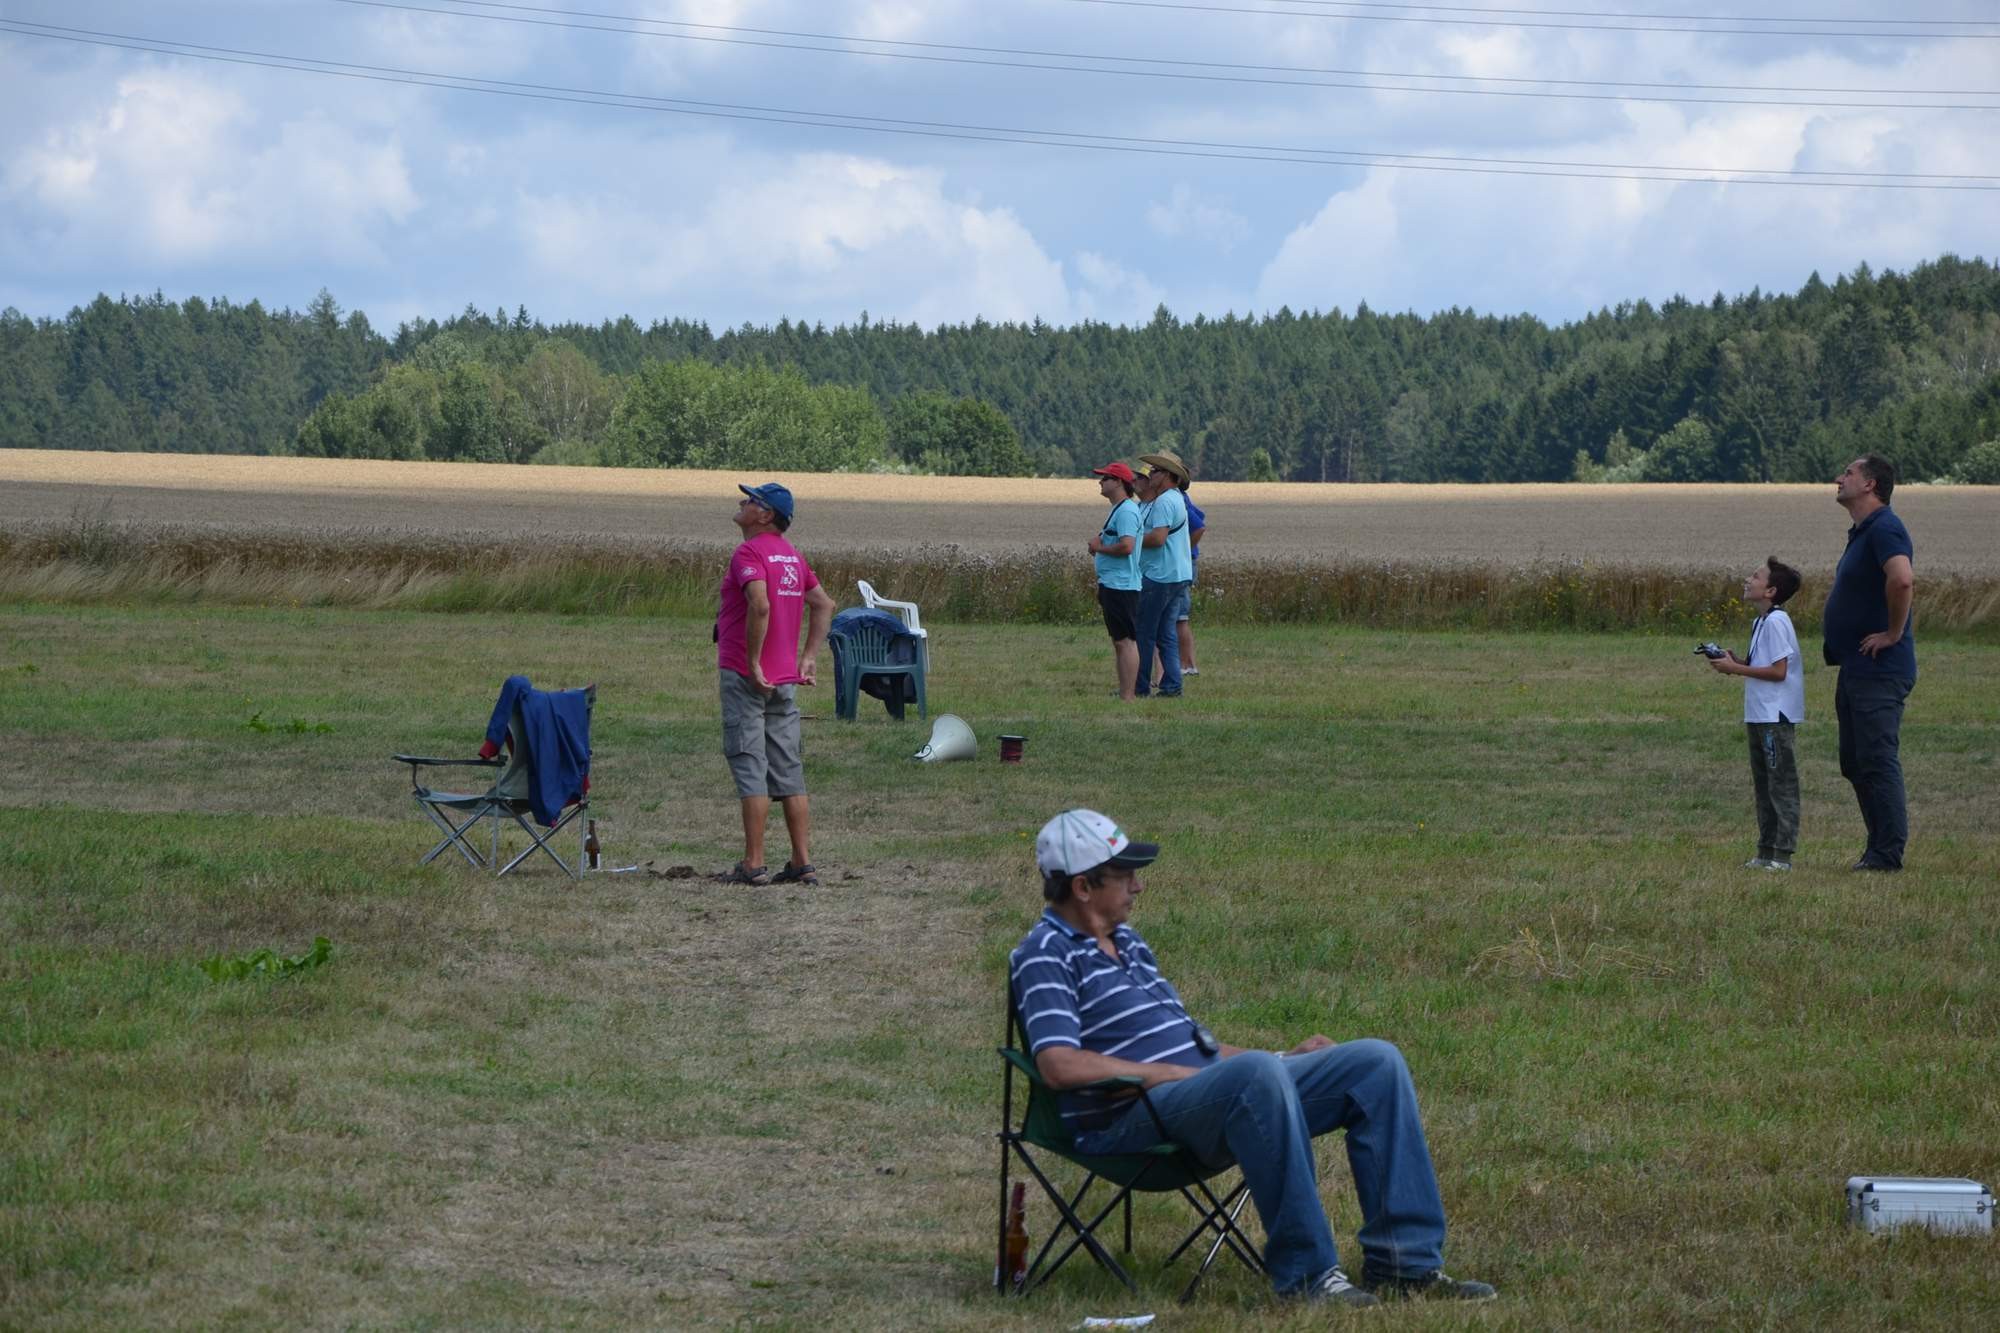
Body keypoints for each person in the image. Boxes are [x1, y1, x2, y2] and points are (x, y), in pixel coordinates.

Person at [1010, 808, 1496, 1308]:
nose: (1139, 886)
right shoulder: (1045, 953)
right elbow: (1058, 1065)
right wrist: (1164, 1074)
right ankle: (1308, 1277)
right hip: (1129, 1121)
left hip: (1207, 1095)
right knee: (1256, 1074)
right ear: (1083, 887)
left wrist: (1282, 1057)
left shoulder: (1127, 943)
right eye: (1125, 875)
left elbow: (1196, 1047)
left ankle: (1405, 1265)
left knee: (1376, 1063)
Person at [714, 482, 835, 886]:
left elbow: (760, 604)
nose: (742, 502)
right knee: (788, 767)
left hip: (746, 675)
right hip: (785, 678)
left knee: (750, 761)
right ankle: (803, 861)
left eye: (751, 500)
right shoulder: (792, 556)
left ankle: (754, 863)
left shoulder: (749, 553)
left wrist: (752, 662)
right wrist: (808, 656)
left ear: (765, 515)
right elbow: (824, 604)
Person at [1823, 455, 1917, 872]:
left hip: (1880, 670)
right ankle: (1877, 848)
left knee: (1877, 760)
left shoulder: (1885, 528)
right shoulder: (1864, 531)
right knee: (1856, 762)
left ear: (1870, 484)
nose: (1839, 478)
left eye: (1848, 473)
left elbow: (1902, 579)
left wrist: (1893, 633)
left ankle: (1886, 854)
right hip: (1857, 667)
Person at [1706, 558, 1805, 871]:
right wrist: (1735, 661)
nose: (1748, 580)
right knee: (1764, 785)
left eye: (1756, 576)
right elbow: (1761, 664)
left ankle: (1782, 855)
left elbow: (1778, 672)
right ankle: (1765, 851)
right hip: (1759, 714)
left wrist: (1736, 669)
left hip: (1775, 716)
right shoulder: (1760, 622)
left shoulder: (1776, 622)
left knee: (1781, 785)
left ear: (1771, 591)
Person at [1133, 450, 1194, 699]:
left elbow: (1158, 539)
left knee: (1144, 633)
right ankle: (1172, 686)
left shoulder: (1164, 502)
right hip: (1178, 574)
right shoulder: (1176, 498)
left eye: (1155, 471)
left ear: (1168, 475)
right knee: (1166, 634)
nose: (1150, 475)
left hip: (1159, 575)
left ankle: (1139, 687)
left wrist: (1131, 541)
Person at [1085, 461, 1143, 701]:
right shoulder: (1119, 509)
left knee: (1126, 641)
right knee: (1119, 641)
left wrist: (1100, 548)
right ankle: (1124, 692)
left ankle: (1128, 695)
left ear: (1119, 482)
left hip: (1122, 586)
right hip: (1113, 584)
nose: (1100, 482)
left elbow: (1127, 546)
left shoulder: (1127, 511)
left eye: (1105, 478)